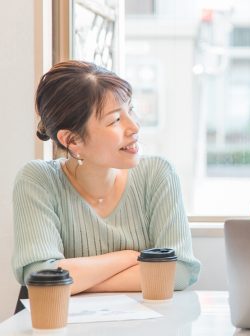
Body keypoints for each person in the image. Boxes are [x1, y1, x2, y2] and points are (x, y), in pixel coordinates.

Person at [12, 60, 200, 295]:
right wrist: (128, 258)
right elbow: (41, 277)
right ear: (72, 140)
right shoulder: (37, 180)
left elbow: (179, 271)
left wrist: (75, 281)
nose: (134, 127)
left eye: (130, 110)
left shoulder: (158, 174)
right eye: (115, 120)